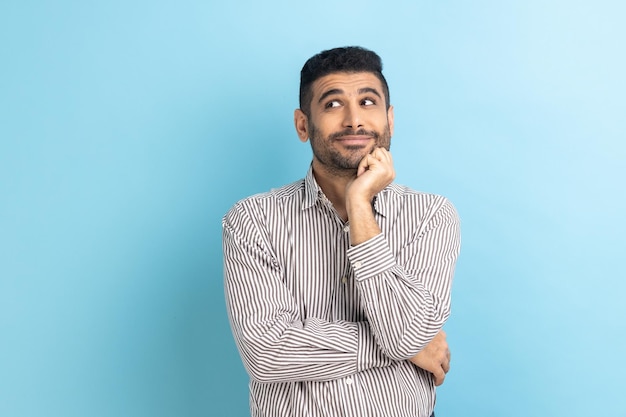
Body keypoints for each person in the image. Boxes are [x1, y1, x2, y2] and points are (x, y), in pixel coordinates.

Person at [222, 46, 461, 417]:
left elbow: (407, 333)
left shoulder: (431, 215)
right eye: (333, 105)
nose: (353, 120)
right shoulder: (253, 220)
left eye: (368, 102)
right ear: (303, 125)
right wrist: (402, 346)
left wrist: (360, 204)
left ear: (390, 119)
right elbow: (267, 354)